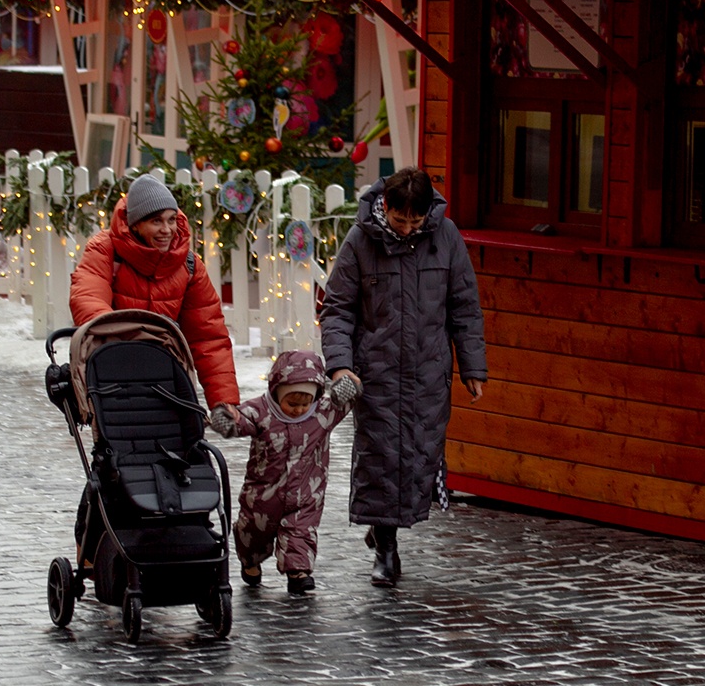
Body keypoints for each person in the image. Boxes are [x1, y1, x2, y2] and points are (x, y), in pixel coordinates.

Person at [319, 166, 487, 587]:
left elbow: (464, 307)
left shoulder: (445, 238)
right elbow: (337, 310)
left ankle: (383, 528)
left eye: (415, 221)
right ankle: (388, 550)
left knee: (420, 453)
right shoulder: (360, 241)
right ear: (385, 208)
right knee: (381, 456)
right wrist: (341, 366)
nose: (408, 229)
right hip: (375, 372)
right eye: (400, 220)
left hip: (429, 371)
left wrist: (473, 366)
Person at [68, 173, 239, 563]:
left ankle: (176, 541)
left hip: (166, 380)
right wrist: (132, 345)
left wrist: (223, 401)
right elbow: (89, 303)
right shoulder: (104, 251)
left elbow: (208, 336)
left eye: (170, 220)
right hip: (113, 381)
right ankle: (93, 546)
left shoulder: (188, 264)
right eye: (155, 221)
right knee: (116, 461)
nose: (165, 230)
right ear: (135, 224)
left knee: (179, 456)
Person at [209, 350, 361, 595]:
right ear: (277, 392)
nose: (299, 409)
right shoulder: (261, 411)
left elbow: (344, 398)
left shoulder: (322, 411)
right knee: (253, 532)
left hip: (306, 492)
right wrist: (224, 418)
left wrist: (349, 382)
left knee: (300, 531)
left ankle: (298, 572)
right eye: (292, 403)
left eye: (305, 403)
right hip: (264, 492)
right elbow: (241, 421)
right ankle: (250, 562)